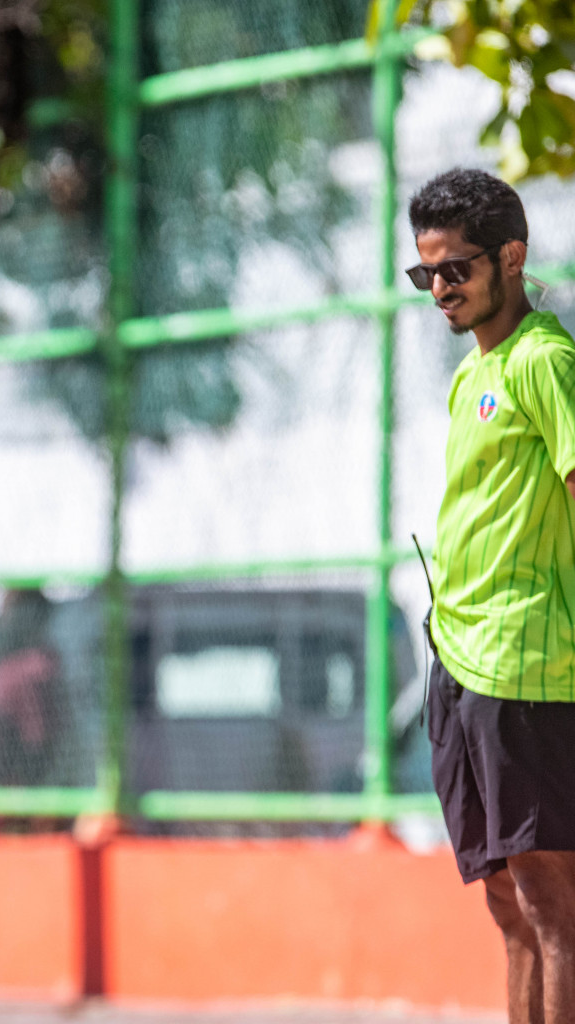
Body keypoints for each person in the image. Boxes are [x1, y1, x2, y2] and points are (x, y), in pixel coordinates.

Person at [412, 168, 575, 1024]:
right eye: (425, 273)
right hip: (461, 664)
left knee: (556, 909)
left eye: (456, 269)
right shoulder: (474, 372)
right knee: (508, 905)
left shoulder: (545, 361)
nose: (440, 289)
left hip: (527, 664)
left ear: (511, 258)